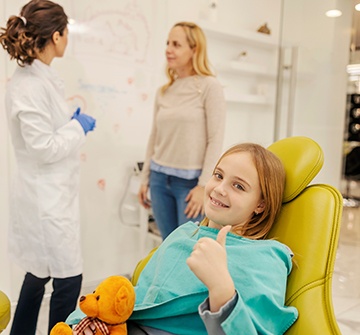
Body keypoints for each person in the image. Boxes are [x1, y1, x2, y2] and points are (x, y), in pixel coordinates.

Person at [68, 143, 298, 335]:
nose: (219, 189)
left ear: (261, 204)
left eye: (238, 186)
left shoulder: (266, 257)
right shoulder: (184, 233)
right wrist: (92, 318)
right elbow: (144, 294)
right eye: (218, 175)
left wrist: (222, 289)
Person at [0, 1, 96, 334]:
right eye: (66, 33)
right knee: (69, 281)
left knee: (38, 273)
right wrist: (77, 127)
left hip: (49, 195)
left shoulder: (39, 77)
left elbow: (44, 133)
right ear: (56, 36)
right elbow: (43, 147)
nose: (68, 39)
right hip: (45, 201)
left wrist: (69, 124)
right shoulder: (28, 84)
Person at [138, 21, 226, 240]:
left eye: (176, 44)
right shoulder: (164, 91)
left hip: (189, 185)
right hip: (159, 179)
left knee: (188, 248)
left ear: (194, 50)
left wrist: (203, 186)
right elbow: (154, 136)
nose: (168, 49)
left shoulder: (209, 87)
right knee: (168, 245)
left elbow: (215, 139)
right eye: (168, 43)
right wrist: (145, 178)